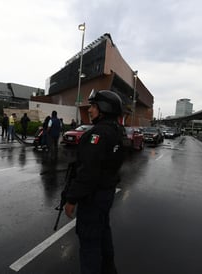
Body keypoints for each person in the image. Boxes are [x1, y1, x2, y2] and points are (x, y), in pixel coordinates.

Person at [64, 90, 125, 274]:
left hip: (93, 198)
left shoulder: (97, 134)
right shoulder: (116, 131)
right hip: (106, 194)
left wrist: (71, 199)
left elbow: (88, 172)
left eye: (93, 106)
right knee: (103, 234)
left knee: (89, 242)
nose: (89, 110)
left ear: (104, 109)